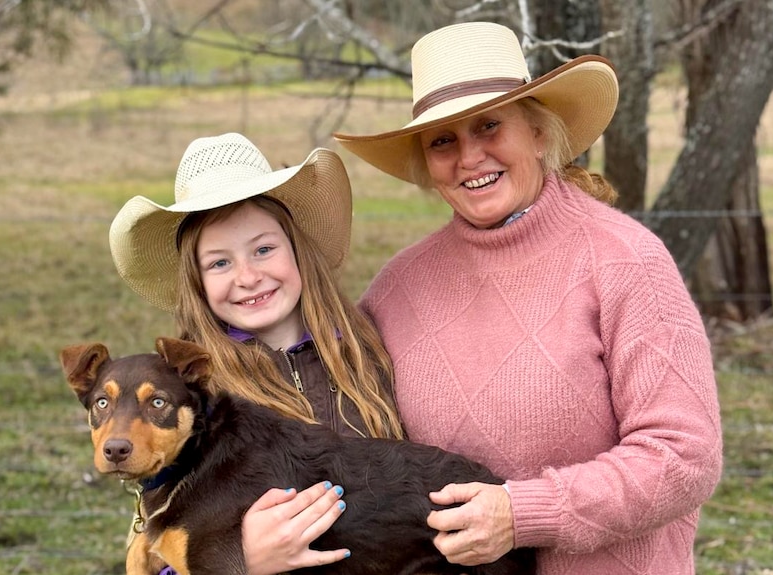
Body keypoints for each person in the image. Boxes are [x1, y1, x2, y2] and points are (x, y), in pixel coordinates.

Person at [332, 21, 723, 574]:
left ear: (539, 132)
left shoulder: (624, 261)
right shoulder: (400, 289)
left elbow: (684, 456)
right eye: (443, 139)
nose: (470, 157)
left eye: (490, 126)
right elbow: (333, 423)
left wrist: (521, 513)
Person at [109, 132, 403, 574]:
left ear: (296, 251)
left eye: (263, 249)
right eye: (220, 263)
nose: (247, 277)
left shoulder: (366, 351)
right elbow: (165, 542)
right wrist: (244, 560)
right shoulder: (199, 399)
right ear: (198, 283)